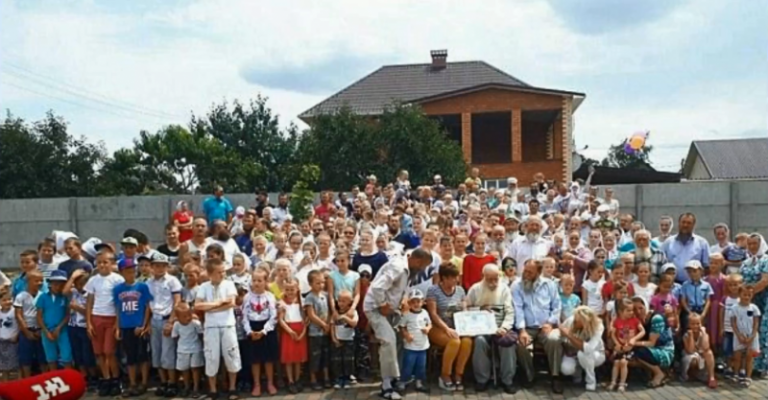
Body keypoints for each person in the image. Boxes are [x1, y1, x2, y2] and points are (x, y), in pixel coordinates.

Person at [363, 249, 432, 400]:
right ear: (418, 261)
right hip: (375, 308)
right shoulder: (398, 267)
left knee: (399, 340)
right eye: (423, 266)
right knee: (388, 341)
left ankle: (394, 377)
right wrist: (382, 305)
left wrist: (401, 301)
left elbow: (397, 289)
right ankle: (386, 387)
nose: (423, 270)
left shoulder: (408, 269)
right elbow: (377, 287)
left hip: (391, 310)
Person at [512, 259, 564, 393]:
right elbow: (518, 309)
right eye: (525, 270)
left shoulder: (550, 285)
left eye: (530, 272)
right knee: (521, 344)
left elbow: (557, 306)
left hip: (546, 326)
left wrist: (550, 323)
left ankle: (555, 376)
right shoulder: (517, 285)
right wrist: (522, 330)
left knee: (554, 340)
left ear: (539, 272)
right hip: (527, 327)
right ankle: (529, 375)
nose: (526, 274)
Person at [194, 258, 242, 399]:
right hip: (211, 326)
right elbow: (197, 306)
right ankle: (213, 389)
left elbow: (231, 303)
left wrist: (209, 307)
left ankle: (232, 387)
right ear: (210, 273)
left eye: (223, 271)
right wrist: (219, 302)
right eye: (219, 272)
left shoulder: (229, 284)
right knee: (211, 356)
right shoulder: (204, 287)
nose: (222, 275)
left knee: (231, 355)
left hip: (227, 324)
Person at [466, 264, 517, 394]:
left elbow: (510, 312)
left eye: (496, 279)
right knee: (480, 341)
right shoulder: (475, 289)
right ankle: (482, 379)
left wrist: (504, 328)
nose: (494, 283)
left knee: (507, 343)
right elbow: (466, 310)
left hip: (501, 327)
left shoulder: (504, 289)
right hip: (482, 328)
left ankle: (507, 380)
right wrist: (480, 309)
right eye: (490, 280)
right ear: (483, 277)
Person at [85, 250, 125, 396]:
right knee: (99, 352)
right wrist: (89, 323)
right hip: (96, 317)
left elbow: (119, 303)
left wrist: (117, 324)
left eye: (105, 262)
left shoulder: (117, 280)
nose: (102, 265)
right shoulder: (93, 280)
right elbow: (89, 301)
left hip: (111, 318)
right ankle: (106, 379)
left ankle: (116, 379)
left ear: (112, 263)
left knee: (109, 352)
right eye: (99, 262)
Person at [425, 264, 470, 392]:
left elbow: (464, 308)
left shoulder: (460, 290)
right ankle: (445, 375)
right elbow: (433, 314)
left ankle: (458, 374)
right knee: (454, 342)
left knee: (467, 341)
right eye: (452, 278)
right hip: (437, 327)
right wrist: (446, 329)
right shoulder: (433, 290)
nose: (456, 280)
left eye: (456, 277)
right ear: (443, 278)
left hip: (458, 326)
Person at [113, 258, 153, 397]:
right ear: (121, 272)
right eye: (127, 271)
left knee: (142, 356)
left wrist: (144, 324)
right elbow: (118, 308)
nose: (131, 273)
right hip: (126, 326)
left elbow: (148, 307)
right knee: (130, 357)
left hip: (139, 325)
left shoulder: (142, 286)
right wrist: (117, 327)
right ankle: (133, 383)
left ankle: (144, 382)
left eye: (132, 270)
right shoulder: (118, 289)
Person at [147, 253, 182, 397]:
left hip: (167, 318)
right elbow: (147, 304)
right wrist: (147, 323)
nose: (159, 268)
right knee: (157, 352)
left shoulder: (172, 281)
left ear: (167, 266)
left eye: (162, 265)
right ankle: (163, 382)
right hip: (154, 319)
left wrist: (171, 321)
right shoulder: (148, 283)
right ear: (152, 267)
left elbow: (177, 302)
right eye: (156, 265)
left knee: (168, 353)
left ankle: (172, 382)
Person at [243, 269, 278, 397]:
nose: (256, 283)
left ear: (265, 281)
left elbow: (273, 316)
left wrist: (264, 331)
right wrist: (249, 331)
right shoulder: (247, 297)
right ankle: (256, 384)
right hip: (253, 328)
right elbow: (244, 316)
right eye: (254, 280)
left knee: (268, 359)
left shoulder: (269, 296)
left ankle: (270, 383)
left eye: (259, 280)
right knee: (255, 359)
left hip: (266, 329)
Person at [738, 233, 768, 375]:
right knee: (749, 330)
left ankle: (762, 366)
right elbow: (741, 280)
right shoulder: (747, 262)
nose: (752, 247)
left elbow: (764, 281)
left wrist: (749, 293)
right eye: (749, 244)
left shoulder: (766, 260)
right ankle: (750, 364)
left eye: (755, 244)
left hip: (764, 300)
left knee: (763, 331)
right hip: (749, 302)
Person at [630, 296, 675, 388]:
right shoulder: (640, 321)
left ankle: (659, 373)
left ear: (646, 306)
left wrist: (632, 342)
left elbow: (651, 343)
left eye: (640, 308)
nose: (638, 312)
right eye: (634, 309)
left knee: (639, 351)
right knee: (628, 357)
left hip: (665, 352)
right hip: (653, 349)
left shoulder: (656, 318)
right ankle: (652, 372)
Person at [559, 306, 606, 391]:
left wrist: (570, 336)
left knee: (583, 354)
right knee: (566, 369)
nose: (575, 321)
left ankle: (591, 381)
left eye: (578, 320)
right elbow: (561, 334)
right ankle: (577, 373)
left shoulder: (598, 325)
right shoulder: (571, 320)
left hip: (596, 354)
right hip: (572, 352)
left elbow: (589, 349)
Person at [278, 278, 307, 394]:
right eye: (287, 290)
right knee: (289, 359)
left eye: (292, 289)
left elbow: (306, 320)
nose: (290, 292)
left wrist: (303, 333)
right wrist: (290, 331)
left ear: (297, 289)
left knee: (298, 359)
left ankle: (297, 379)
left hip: (300, 332)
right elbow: (281, 320)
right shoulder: (282, 303)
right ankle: (290, 380)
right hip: (288, 332)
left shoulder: (301, 302)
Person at [608, 298, 645, 392]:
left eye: (632, 310)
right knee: (616, 363)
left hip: (630, 348)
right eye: (628, 310)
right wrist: (617, 344)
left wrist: (634, 339)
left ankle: (622, 383)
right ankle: (613, 382)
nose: (631, 312)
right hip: (619, 347)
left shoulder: (635, 320)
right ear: (620, 311)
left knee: (623, 362)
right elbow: (613, 334)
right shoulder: (616, 321)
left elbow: (642, 331)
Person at [397, 288, 430, 393]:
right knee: (408, 365)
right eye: (413, 302)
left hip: (423, 345)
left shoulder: (425, 312)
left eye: (418, 301)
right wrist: (406, 335)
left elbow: (429, 323)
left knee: (421, 366)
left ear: (422, 302)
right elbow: (401, 326)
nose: (416, 304)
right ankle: (402, 382)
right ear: (409, 303)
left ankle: (418, 382)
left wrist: (428, 328)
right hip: (411, 346)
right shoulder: (407, 315)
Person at [662, 213, 710, 283]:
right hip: (672, 284)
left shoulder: (702, 243)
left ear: (693, 225)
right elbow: (661, 264)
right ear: (679, 223)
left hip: (694, 285)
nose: (685, 225)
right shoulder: (668, 242)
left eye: (689, 223)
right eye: (683, 222)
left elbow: (707, 267)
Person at [14, 270, 44, 378]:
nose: (40, 283)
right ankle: (27, 379)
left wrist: (41, 330)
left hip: (40, 330)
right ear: (29, 281)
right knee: (25, 358)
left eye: (41, 280)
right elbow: (18, 315)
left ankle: (44, 378)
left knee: (43, 357)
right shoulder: (21, 296)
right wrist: (26, 331)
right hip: (26, 330)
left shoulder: (43, 295)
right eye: (36, 281)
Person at [304, 270, 331, 390]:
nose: (320, 285)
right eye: (317, 283)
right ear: (310, 284)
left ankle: (325, 377)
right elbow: (311, 315)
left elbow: (329, 311)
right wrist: (322, 324)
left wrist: (328, 323)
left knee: (325, 355)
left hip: (325, 331)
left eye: (322, 283)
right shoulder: (310, 297)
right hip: (315, 332)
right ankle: (313, 378)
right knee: (315, 355)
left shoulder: (325, 295)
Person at [731, 285, 761, 387]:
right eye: (744, 295)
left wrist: (752, 336)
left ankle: (748, 376)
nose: (746, 297)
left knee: (749, 356)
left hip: (751, 335)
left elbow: (756, 323)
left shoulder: (754, 308)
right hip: (739, 335)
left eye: (749, 295)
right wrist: (739, 335)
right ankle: (736, 374)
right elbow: (733, 323)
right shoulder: (735, 308)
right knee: (737, 356)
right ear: (739, 294)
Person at [172, 303, 204, 398]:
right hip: (182, 349)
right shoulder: (176, 325)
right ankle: (186, 386)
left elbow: (200, 334)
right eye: (184, 316)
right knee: (184, 369)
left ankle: (196, 388)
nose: (188, 318)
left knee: (195, 368)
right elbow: (175, 337)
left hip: (195, 348)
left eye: (189, 315)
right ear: (178, 317)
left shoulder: (195, 323)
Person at [681, 312, 717, 388]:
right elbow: (690, 351)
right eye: (693, 324)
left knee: (709, 353)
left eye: (698, 324)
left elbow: (706, 347)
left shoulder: (704, 334)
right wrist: (691, 336)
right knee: (693, 359)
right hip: (690, 356)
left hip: (700, 355)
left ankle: (711, 377)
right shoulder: (686, 335)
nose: (695, 326)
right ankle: (691, 374)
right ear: (689, 325)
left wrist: (703, 333)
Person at [331, 290, 358, 389]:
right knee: (337, 360)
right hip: (338, 340)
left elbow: (354, 323)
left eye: (344, 301)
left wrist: (345, 317)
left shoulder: (353, 312)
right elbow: (332, 326)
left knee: (348, 360)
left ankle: (347, 378)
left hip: (349, 340)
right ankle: (338, 378)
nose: (341, 303)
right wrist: (334, 338)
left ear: (350, 302)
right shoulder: (335, 313)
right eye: (339, 301)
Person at [720, 273, 742, 380]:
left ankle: (740, 369)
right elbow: (722, 312)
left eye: (736, 285)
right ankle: (728, 367)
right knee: (727, 350)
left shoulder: (742, 298)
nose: (734, 287)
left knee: (739, 350)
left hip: (739, 331)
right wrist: (721, 327)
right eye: (731, 285)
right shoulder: (725, 298)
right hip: (728, 329)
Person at [0, 289, 19, 382]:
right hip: (1, 342)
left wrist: (16, 335)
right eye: (4, 300)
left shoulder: (15, 311)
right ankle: (4, 387)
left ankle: (19, 385)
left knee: (17, 365)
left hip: (12, 342)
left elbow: (20, 324)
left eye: (9, 299)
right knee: (3, 367)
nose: (7, 302)